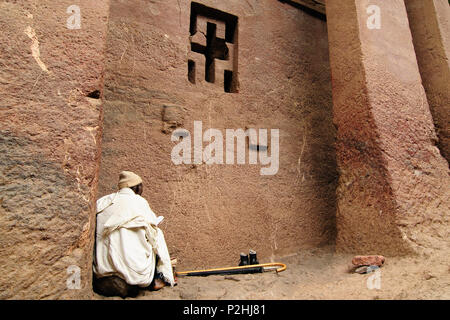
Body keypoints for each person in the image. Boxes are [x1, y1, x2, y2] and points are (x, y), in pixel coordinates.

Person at [93, 171, 175, 297]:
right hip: (135, 273)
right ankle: (159, 278)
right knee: (157, 234)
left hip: (102, 268)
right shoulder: (139, 202)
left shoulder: (103, 201)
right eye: (141, 186)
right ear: (136, 187)